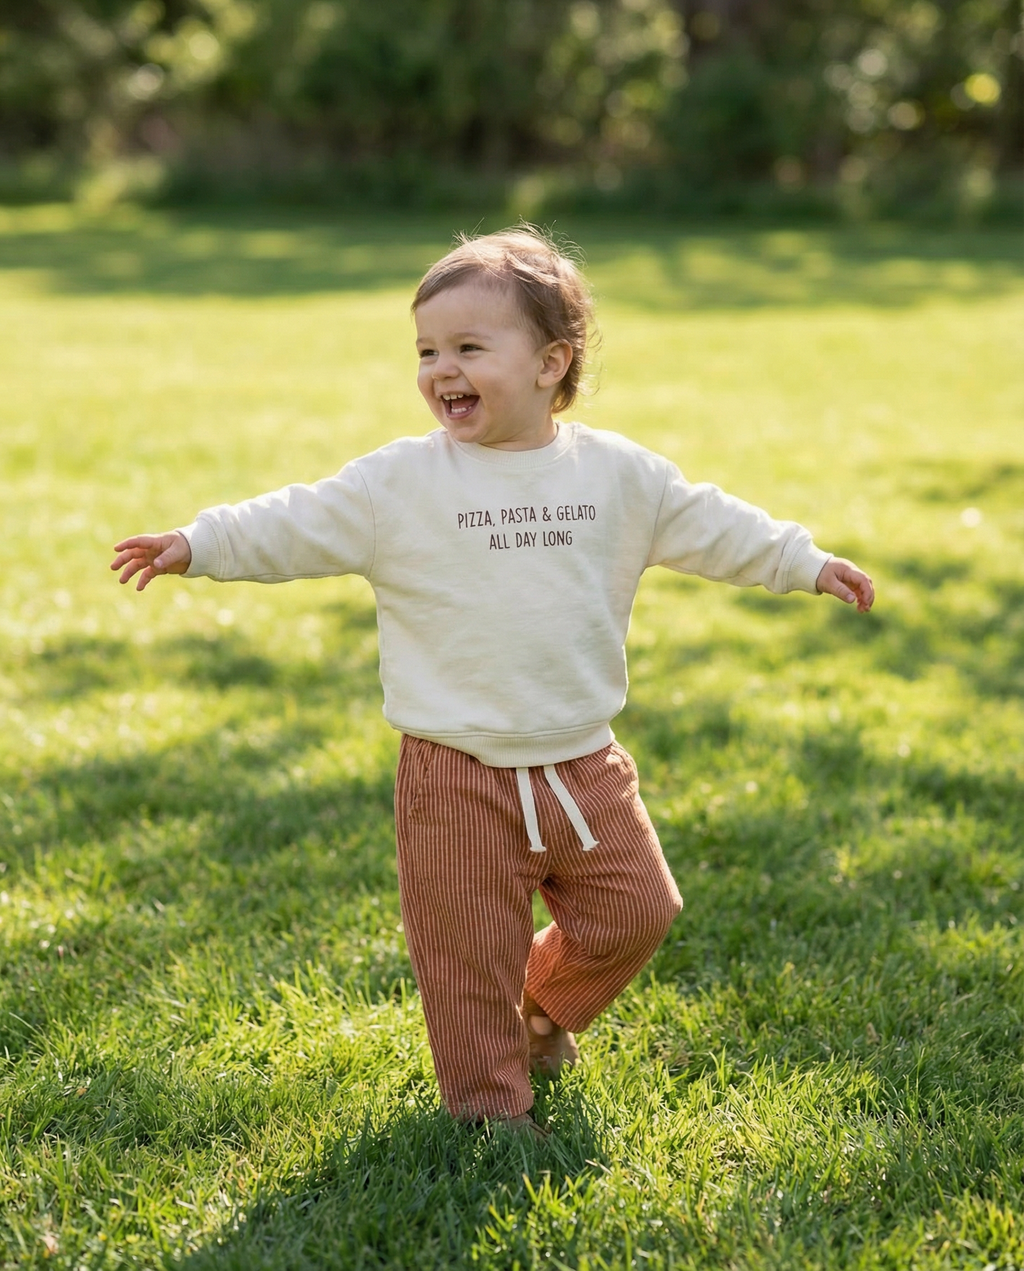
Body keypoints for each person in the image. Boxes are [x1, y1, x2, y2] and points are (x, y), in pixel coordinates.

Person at [111, 227, 874, 1134]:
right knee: (468, 953)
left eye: (471, 347)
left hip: (582, 759)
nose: (443, 369)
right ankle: (490, 1112)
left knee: (637, 909)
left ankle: (544, 1011)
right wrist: (199, 543)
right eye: (428, 350)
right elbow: (298, 519)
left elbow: (710, 521)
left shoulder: (617, 475)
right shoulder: (402, 481)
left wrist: (802, 560)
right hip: (453, 768)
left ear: (553, 362)